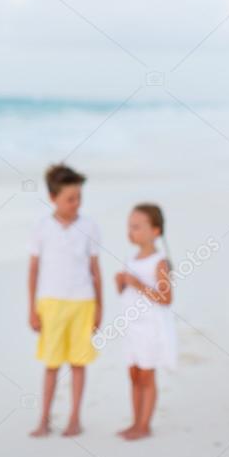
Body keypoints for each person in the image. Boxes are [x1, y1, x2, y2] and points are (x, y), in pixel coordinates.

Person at [28, 164, 103, 437]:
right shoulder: (41, 227)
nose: (76, 203)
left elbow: (95, 271)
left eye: (79, 198)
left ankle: (74, 419)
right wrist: (32, 309)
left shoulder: (89, 226)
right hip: (51, 303)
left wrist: (99, 308)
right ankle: (44, 419)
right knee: (51, 364)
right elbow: (34, 269)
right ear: (53, 198)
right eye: (70, 198)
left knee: (78, 363)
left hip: (83, 302)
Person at [115, 203, 177, 440]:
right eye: (129, 227)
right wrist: (120, 281)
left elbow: (166, 298)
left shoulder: (159, 262)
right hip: (131, 326)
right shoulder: (130, 257)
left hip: (150, 327)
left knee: (146, 375)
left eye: (137, 227)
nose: (131, 231)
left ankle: (144, 424)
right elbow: (123, 292)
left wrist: (137, 284)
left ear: (155, 231)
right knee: (133, 373)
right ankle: (135, 420)